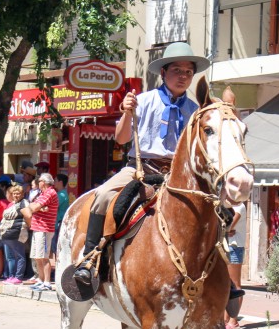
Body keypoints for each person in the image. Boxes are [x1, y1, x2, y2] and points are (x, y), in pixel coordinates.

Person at [72, 41, 209, 287]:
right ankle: (89, 259)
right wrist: (126, 113)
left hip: (178, 174)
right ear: (164, 72)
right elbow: (122, 138)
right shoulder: (142, 101)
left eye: (188, 72)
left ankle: (216, 272)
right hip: (141, 169)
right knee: (103, 195)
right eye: (177, 70)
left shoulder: (194, 110)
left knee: (216, 206)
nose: (183, 76)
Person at [28, 173, 59, 291]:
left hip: (44, 229)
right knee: (37, 257)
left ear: (44, 182)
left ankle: (47, 282)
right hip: (37, 228)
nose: (38, 182)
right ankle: (40, 280)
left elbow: (34, 207)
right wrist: (39, 207)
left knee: (44, 257)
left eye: (39, 180)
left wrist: (37, 207)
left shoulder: (50, 192)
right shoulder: (42, 193)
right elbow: (30, 205)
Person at [0, 184, 30, 285]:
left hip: (17, 233)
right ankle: (11, 276)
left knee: (20, 256)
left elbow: (28, 215)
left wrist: (29, 226)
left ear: (23, 194)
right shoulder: (12, 204)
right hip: (7, 234)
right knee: (10, 257)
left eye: (18, 193)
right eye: (14, 193)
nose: (16, 195)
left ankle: (18, 277)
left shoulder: (24, 203)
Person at [225, 201, 248, 329]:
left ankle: (233, 320)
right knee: (227, 285)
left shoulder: (240, 207)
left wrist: (227, 230)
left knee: (235, 284)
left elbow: (229, 225)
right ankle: (225, 319)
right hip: (228, 246)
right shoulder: (228, 206)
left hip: (235, 247)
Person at [50, 174, 70, 261]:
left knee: (57, 247)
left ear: (60, 182)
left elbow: (52, 206)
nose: (54, 183)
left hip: (58, 223)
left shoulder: (61, 195)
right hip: (56, 223)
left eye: (55, 180)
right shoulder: (60, 193)